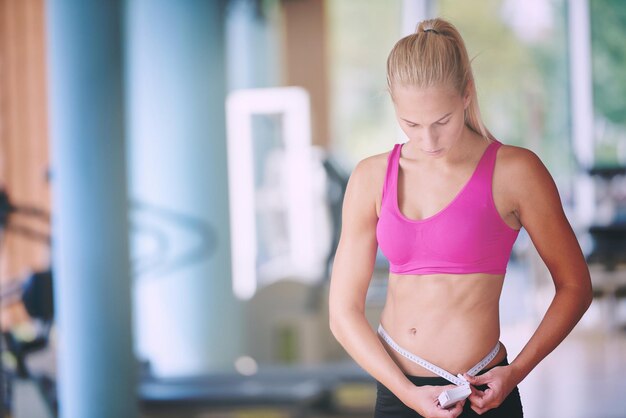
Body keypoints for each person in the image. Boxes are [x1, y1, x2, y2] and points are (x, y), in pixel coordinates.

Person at [328, 17, 593, 418]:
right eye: (411, 124)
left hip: (485, 392)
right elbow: (343, 311)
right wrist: (404, 393)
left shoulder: (516, 171)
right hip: (400, 397)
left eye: (442, 121)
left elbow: (575, 286)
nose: (428, 140)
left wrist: (517, 371)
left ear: (466, 94)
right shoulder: (369, 177)